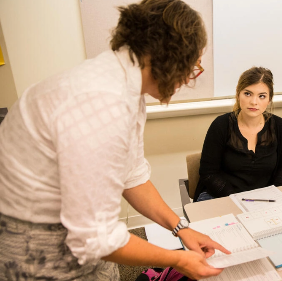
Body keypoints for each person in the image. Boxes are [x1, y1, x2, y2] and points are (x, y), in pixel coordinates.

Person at [0, 1, 230, 280]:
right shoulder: (101, 104)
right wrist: (177, 259)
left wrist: (181, 228)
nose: (189, 78)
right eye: (192, 65)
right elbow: (96, 239)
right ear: (169, 56)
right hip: (37, 249)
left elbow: (131, 175)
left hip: (76, 237)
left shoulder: (123, 86)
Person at [194, 67, 282, 202]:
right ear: (238, 94)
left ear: (269, 99)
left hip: (264, 199)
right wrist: (239, 200)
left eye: (261, 96)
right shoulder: (221, 125)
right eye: (247, 94)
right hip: (220, 196)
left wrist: (271, 196)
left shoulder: (279, 126)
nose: (254, 102)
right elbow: (208, 174)